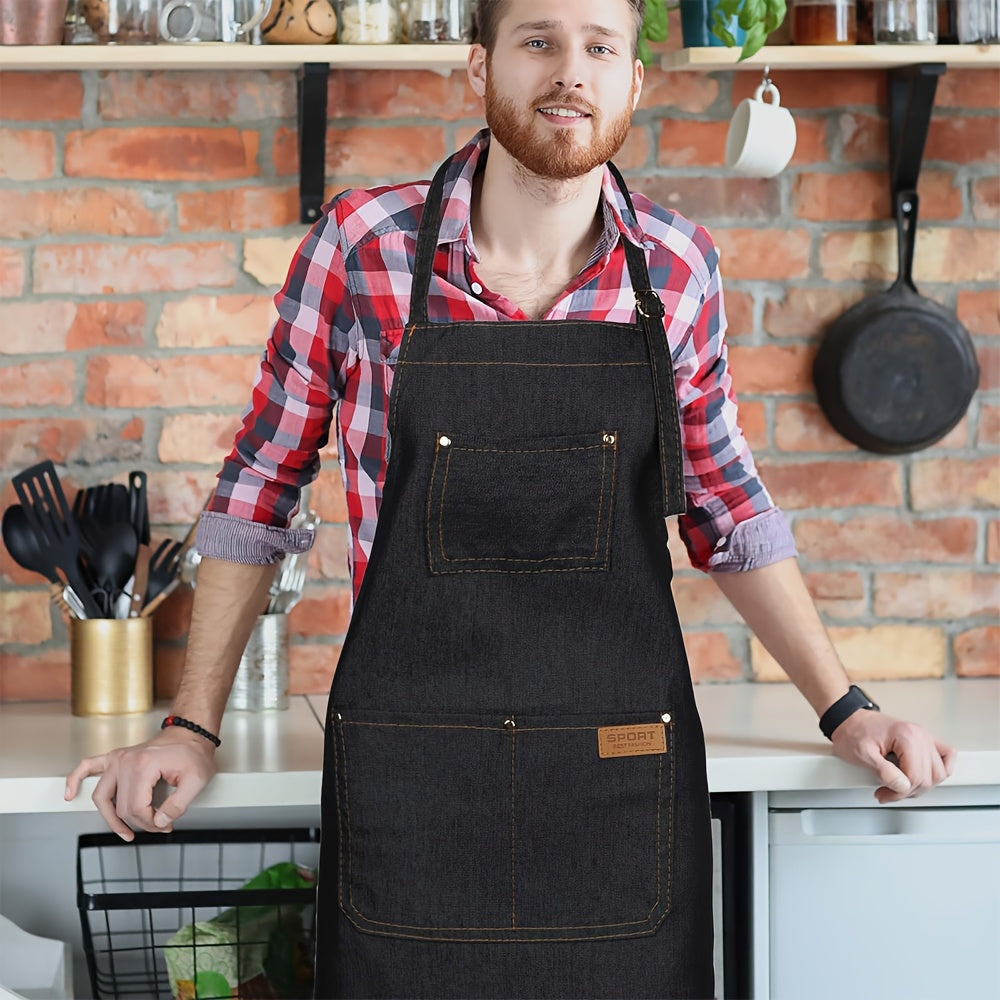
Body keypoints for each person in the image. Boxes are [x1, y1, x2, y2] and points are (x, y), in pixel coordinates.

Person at [66, 1, 958, 996]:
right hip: (415, 772)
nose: (568, 72)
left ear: (633, 81)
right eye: (538, 41)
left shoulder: (673, 268)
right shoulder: (361, 245)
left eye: (598, 48)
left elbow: (724, 506)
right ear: (477, 64)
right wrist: (191, 728)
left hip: (616, 773)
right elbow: (256, 490)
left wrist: (844, 707)